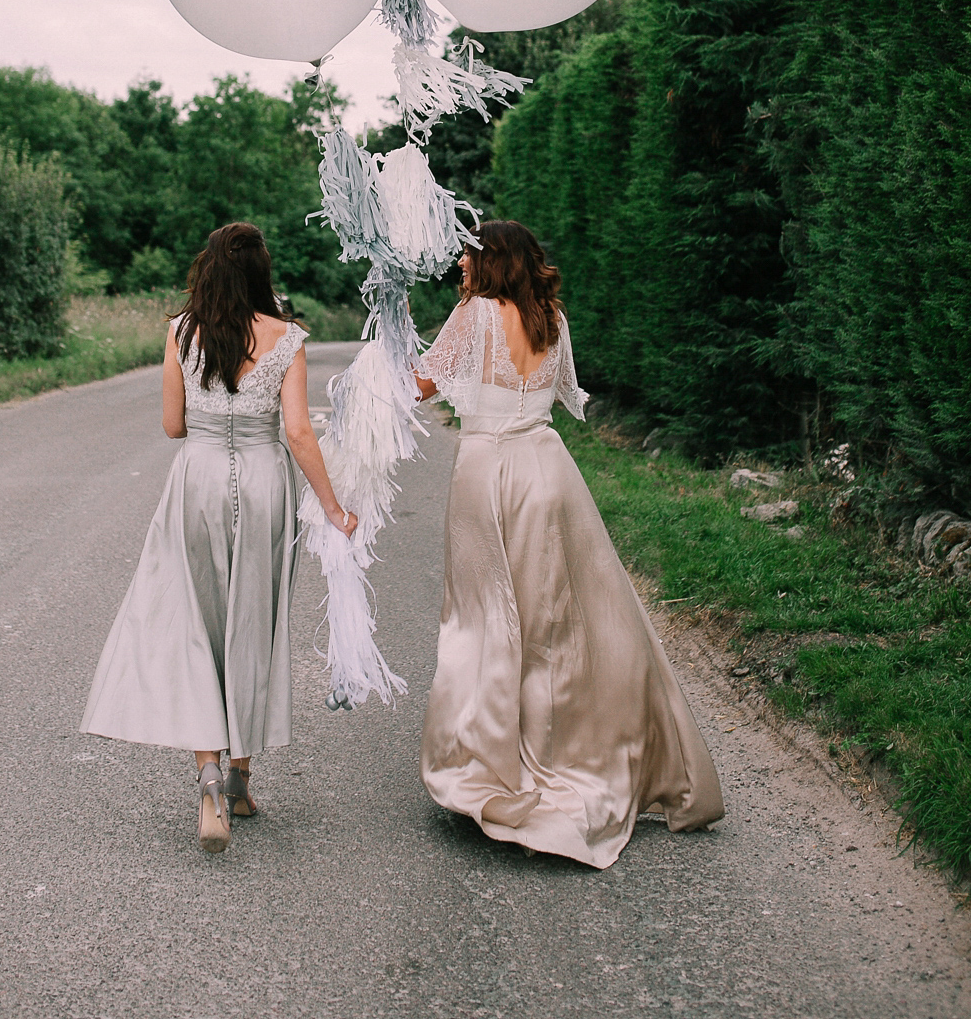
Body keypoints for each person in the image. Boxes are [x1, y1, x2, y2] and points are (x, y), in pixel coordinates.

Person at [415, 220, 723, 867]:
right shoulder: (551, 315)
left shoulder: (473, 315)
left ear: (490, 261)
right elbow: (555, 395)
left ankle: (489, 766)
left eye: (469, 257)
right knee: (553, 626)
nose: (461, 268)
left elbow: (420, 384)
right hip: (549, 472)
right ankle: (566, 753)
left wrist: (387, 343)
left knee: (486, 619)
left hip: (489, 475)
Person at [80, 223, 358, 853]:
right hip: (263, 483)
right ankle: (240, 777)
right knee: (251, 621)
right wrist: (334, 509)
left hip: (198, 479)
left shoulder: (181, 333)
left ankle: (209, 774)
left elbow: (172, 426)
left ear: (207, 269)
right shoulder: (287, 339)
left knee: (199, 622)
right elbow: (299, 433)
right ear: (263, 273)